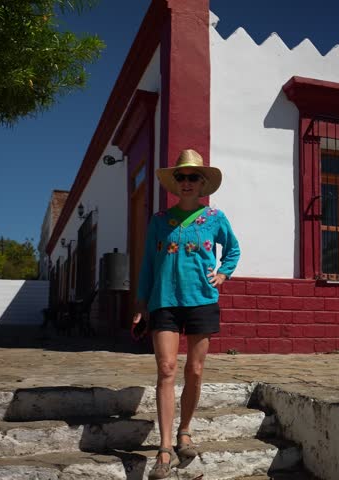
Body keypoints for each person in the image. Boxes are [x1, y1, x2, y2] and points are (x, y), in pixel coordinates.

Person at [132, 148, 240, 479]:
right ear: (175, 183)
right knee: (166, 368)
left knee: (194, 369)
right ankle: (164, 448)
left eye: (193, 177)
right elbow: (149, 263)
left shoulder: (215, 219)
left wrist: (224, 273)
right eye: (181, 177)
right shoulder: (160, 221)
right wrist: (140, 303)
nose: (187, 182)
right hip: (163, 300)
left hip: (201, 300)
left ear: (203, 182)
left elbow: (233, 249)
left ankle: (185, 431)